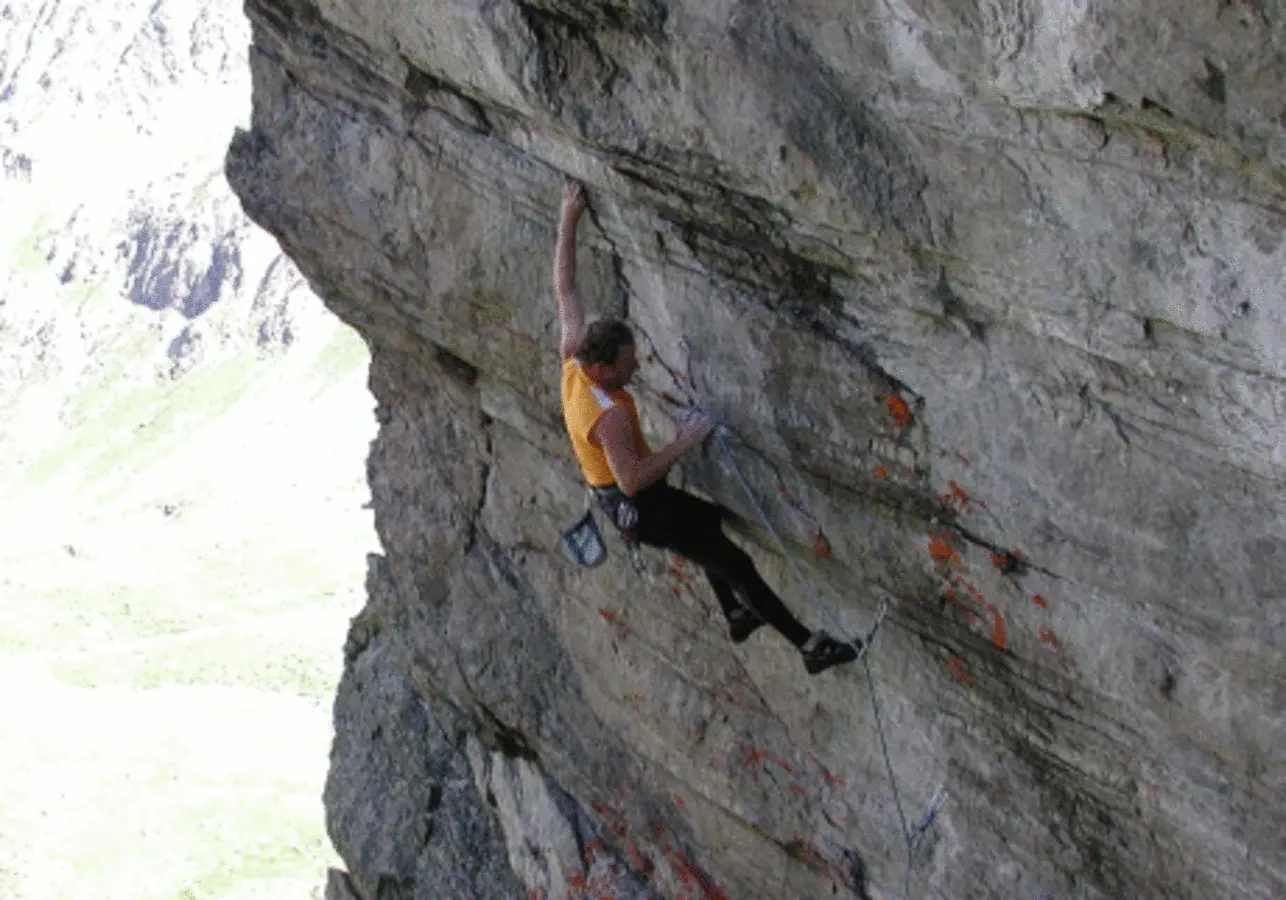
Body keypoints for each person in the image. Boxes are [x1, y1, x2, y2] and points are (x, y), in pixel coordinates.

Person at [554, 181, 859, 675]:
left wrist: (569, 219)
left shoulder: (573, 357)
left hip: (630, 501)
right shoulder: (606, 415)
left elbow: (565, 289)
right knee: (733, 562)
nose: (637, 368)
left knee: (708, 525)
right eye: (629, 365)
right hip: (639, 507)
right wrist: (686, 441)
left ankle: (737, 614)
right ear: (605, 368)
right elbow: (632, 479)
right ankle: (809, 647)